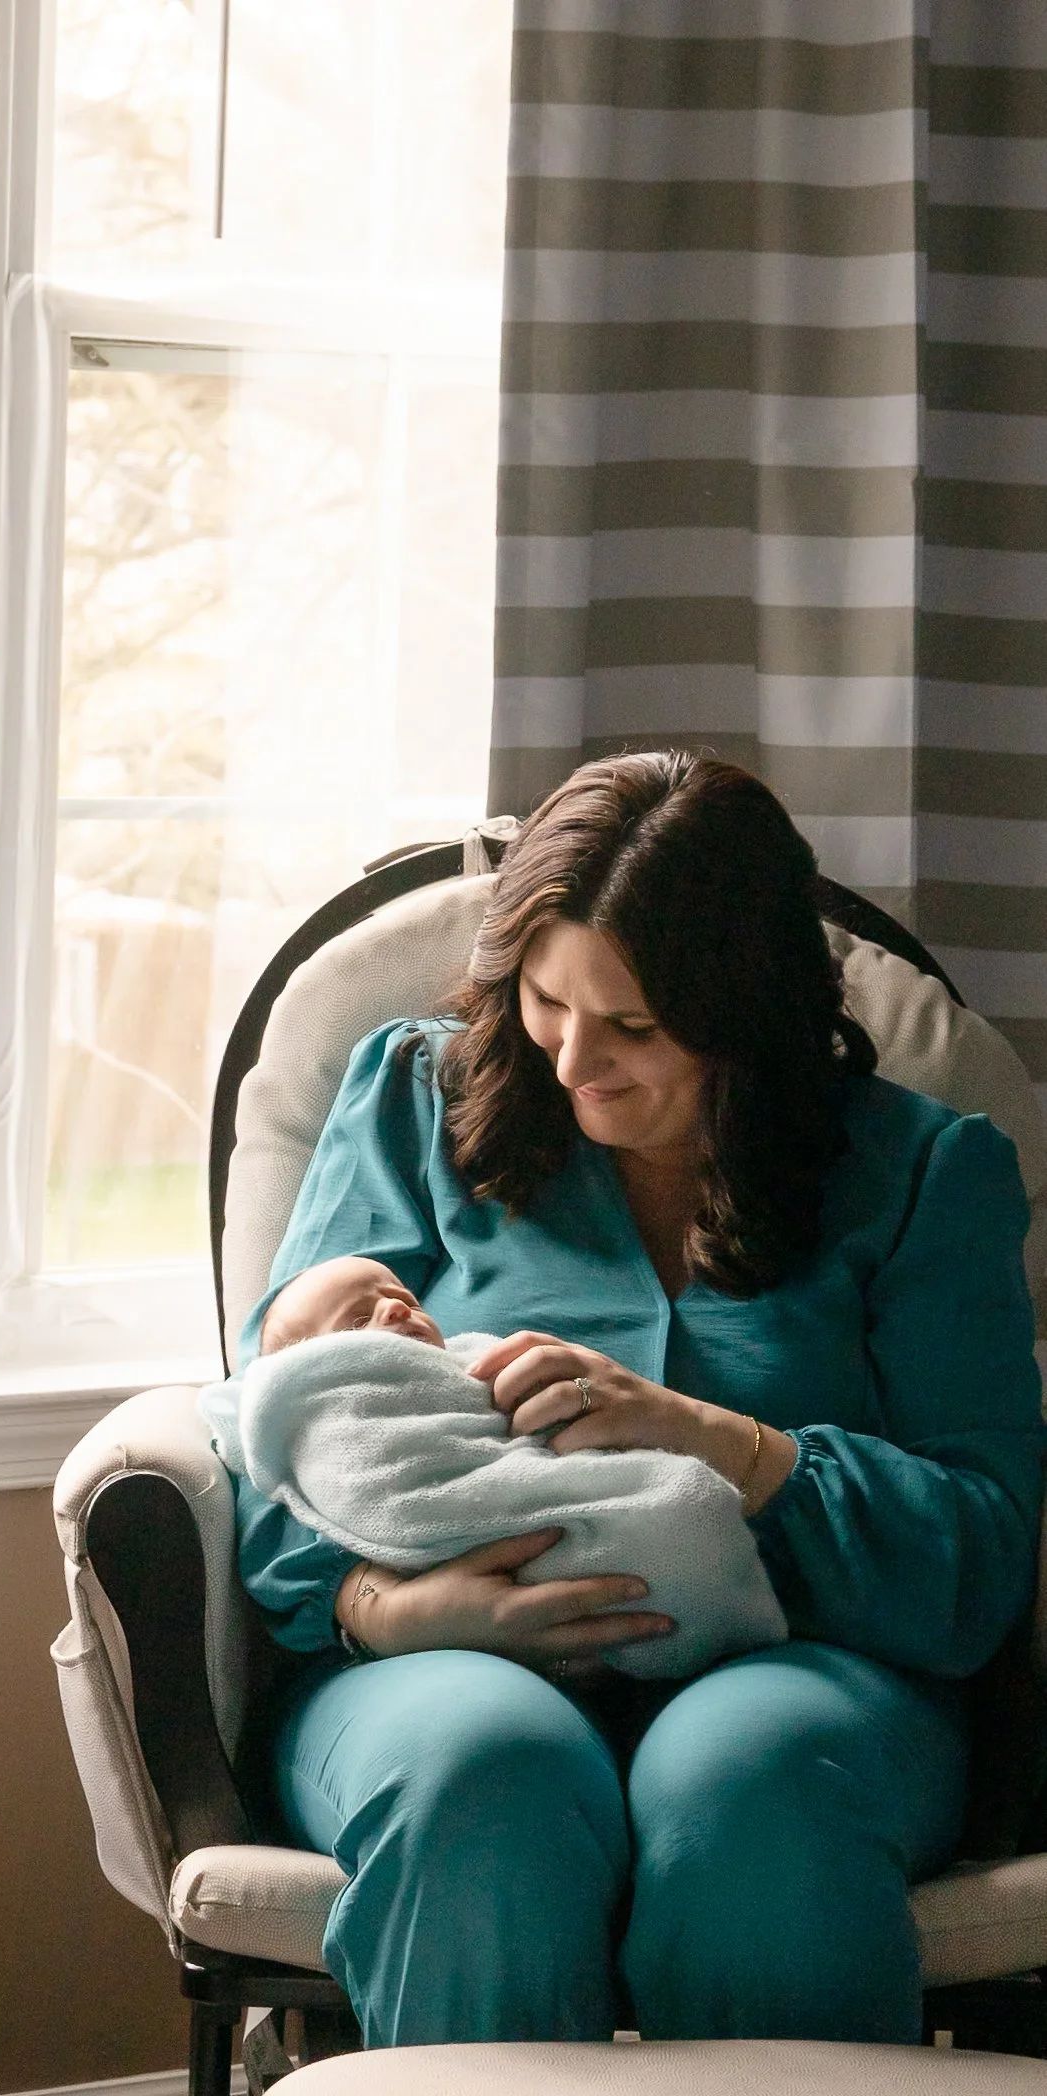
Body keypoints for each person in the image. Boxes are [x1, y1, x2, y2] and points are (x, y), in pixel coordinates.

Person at [229, 752, 1045, 2049]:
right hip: (436, 1659)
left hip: (808, 1674)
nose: (570, 1061)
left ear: (750, 1011)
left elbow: (979, 1553)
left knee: (746, 1784)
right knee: (478, 1771)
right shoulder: (407, 1102)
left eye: (634, 1028)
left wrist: (718, 1445)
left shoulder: (926, 1175)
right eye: (547, 1001)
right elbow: (279, 1430)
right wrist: (389, 1608)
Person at [200, 1253, 787, 1678]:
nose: (395, 1310)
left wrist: (711, 1435)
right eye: (359, 1321)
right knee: (480, 1757)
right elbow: (268, 1432)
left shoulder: (469, 1360)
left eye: (403, 1299)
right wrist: (378, 1609)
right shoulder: (325, 1394)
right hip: (438, 1628)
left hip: (797, 1584)